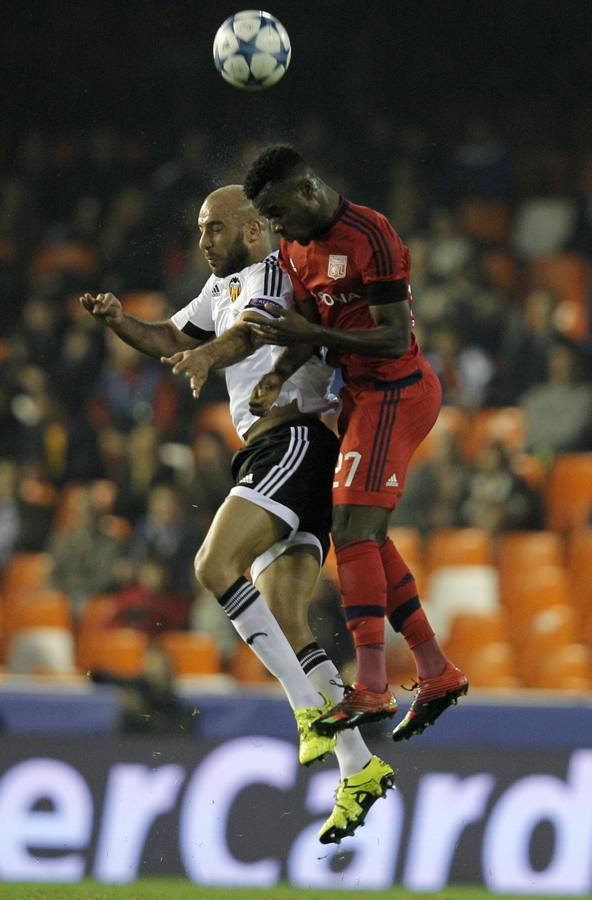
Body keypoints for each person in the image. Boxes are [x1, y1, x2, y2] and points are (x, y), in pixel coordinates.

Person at [80, 185, 393, 844]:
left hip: (295, 439)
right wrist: (119, 323)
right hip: (276, 450)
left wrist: (204, 356)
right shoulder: (218, 287)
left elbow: (248, 332)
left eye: (214, 229)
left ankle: (310, 712)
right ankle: (358, 765)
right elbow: (170, 333)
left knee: (213, 564)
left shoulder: (275, 274)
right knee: (286, 615)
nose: (203, 241)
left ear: (252, 227)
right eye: (198, 230)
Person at [242, 145, 468, 739]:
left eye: (278, 210)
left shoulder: (373, 234)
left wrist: (308, 333)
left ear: (308, 190)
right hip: (362, 399)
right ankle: (436, 671)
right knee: (367, 537)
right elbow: (315, 330)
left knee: (351, 533)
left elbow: (393, 339)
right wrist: (277, 372)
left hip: (398, 391)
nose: (276, 227)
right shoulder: (295, 250)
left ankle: (370, 685)